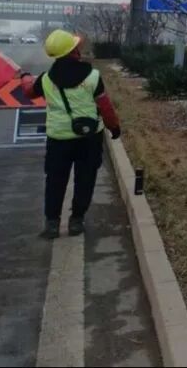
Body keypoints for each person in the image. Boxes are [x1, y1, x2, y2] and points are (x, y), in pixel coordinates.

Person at [31, 29, 122, 239]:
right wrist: (114, 127)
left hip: (58, 139)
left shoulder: (46, 79)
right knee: (85, 179)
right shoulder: (92, 76)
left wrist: (25, 78)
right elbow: (105, 106)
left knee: (55, 180)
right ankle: (76, 221)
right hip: (89, 137)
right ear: (73, 51)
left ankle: (52, 224)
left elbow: (30, 92)